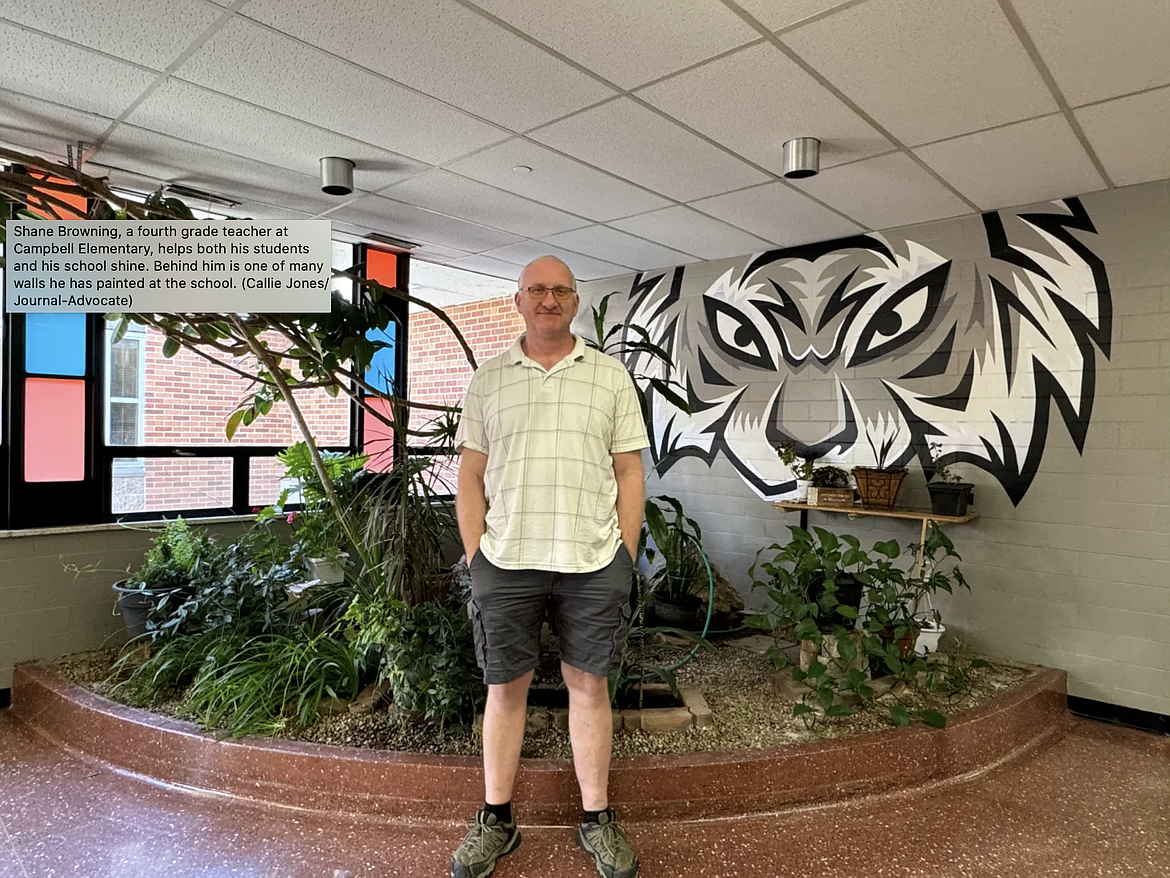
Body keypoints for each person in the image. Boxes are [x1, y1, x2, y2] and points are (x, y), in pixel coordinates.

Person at [450, 255, 647, 878]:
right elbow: (472, 476)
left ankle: (596, 820)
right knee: (503, 689)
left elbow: (629, 472)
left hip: (593, 562)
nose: (549, 299)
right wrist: (478, 556)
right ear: (519, 301)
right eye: (537, 289)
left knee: (590, 687)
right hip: (506, 561)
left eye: (560, 290)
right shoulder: (490, 380)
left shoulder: (611, 377)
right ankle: (496, 821)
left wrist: (627, 554)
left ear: (575, 302)